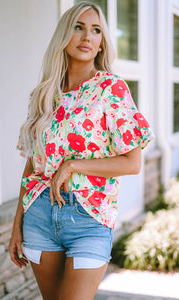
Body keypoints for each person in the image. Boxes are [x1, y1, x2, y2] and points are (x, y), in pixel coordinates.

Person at [9, 1, 154, 299]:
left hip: (89, 217)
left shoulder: (111, 89)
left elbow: (132, 162)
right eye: (79, 27)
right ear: (64, 35)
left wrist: (73, 165)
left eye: (96, 30)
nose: (87, 37)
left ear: (102, 44)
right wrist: (17, 225)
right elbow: (32, 165)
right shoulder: (44, 94)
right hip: (39, 215)